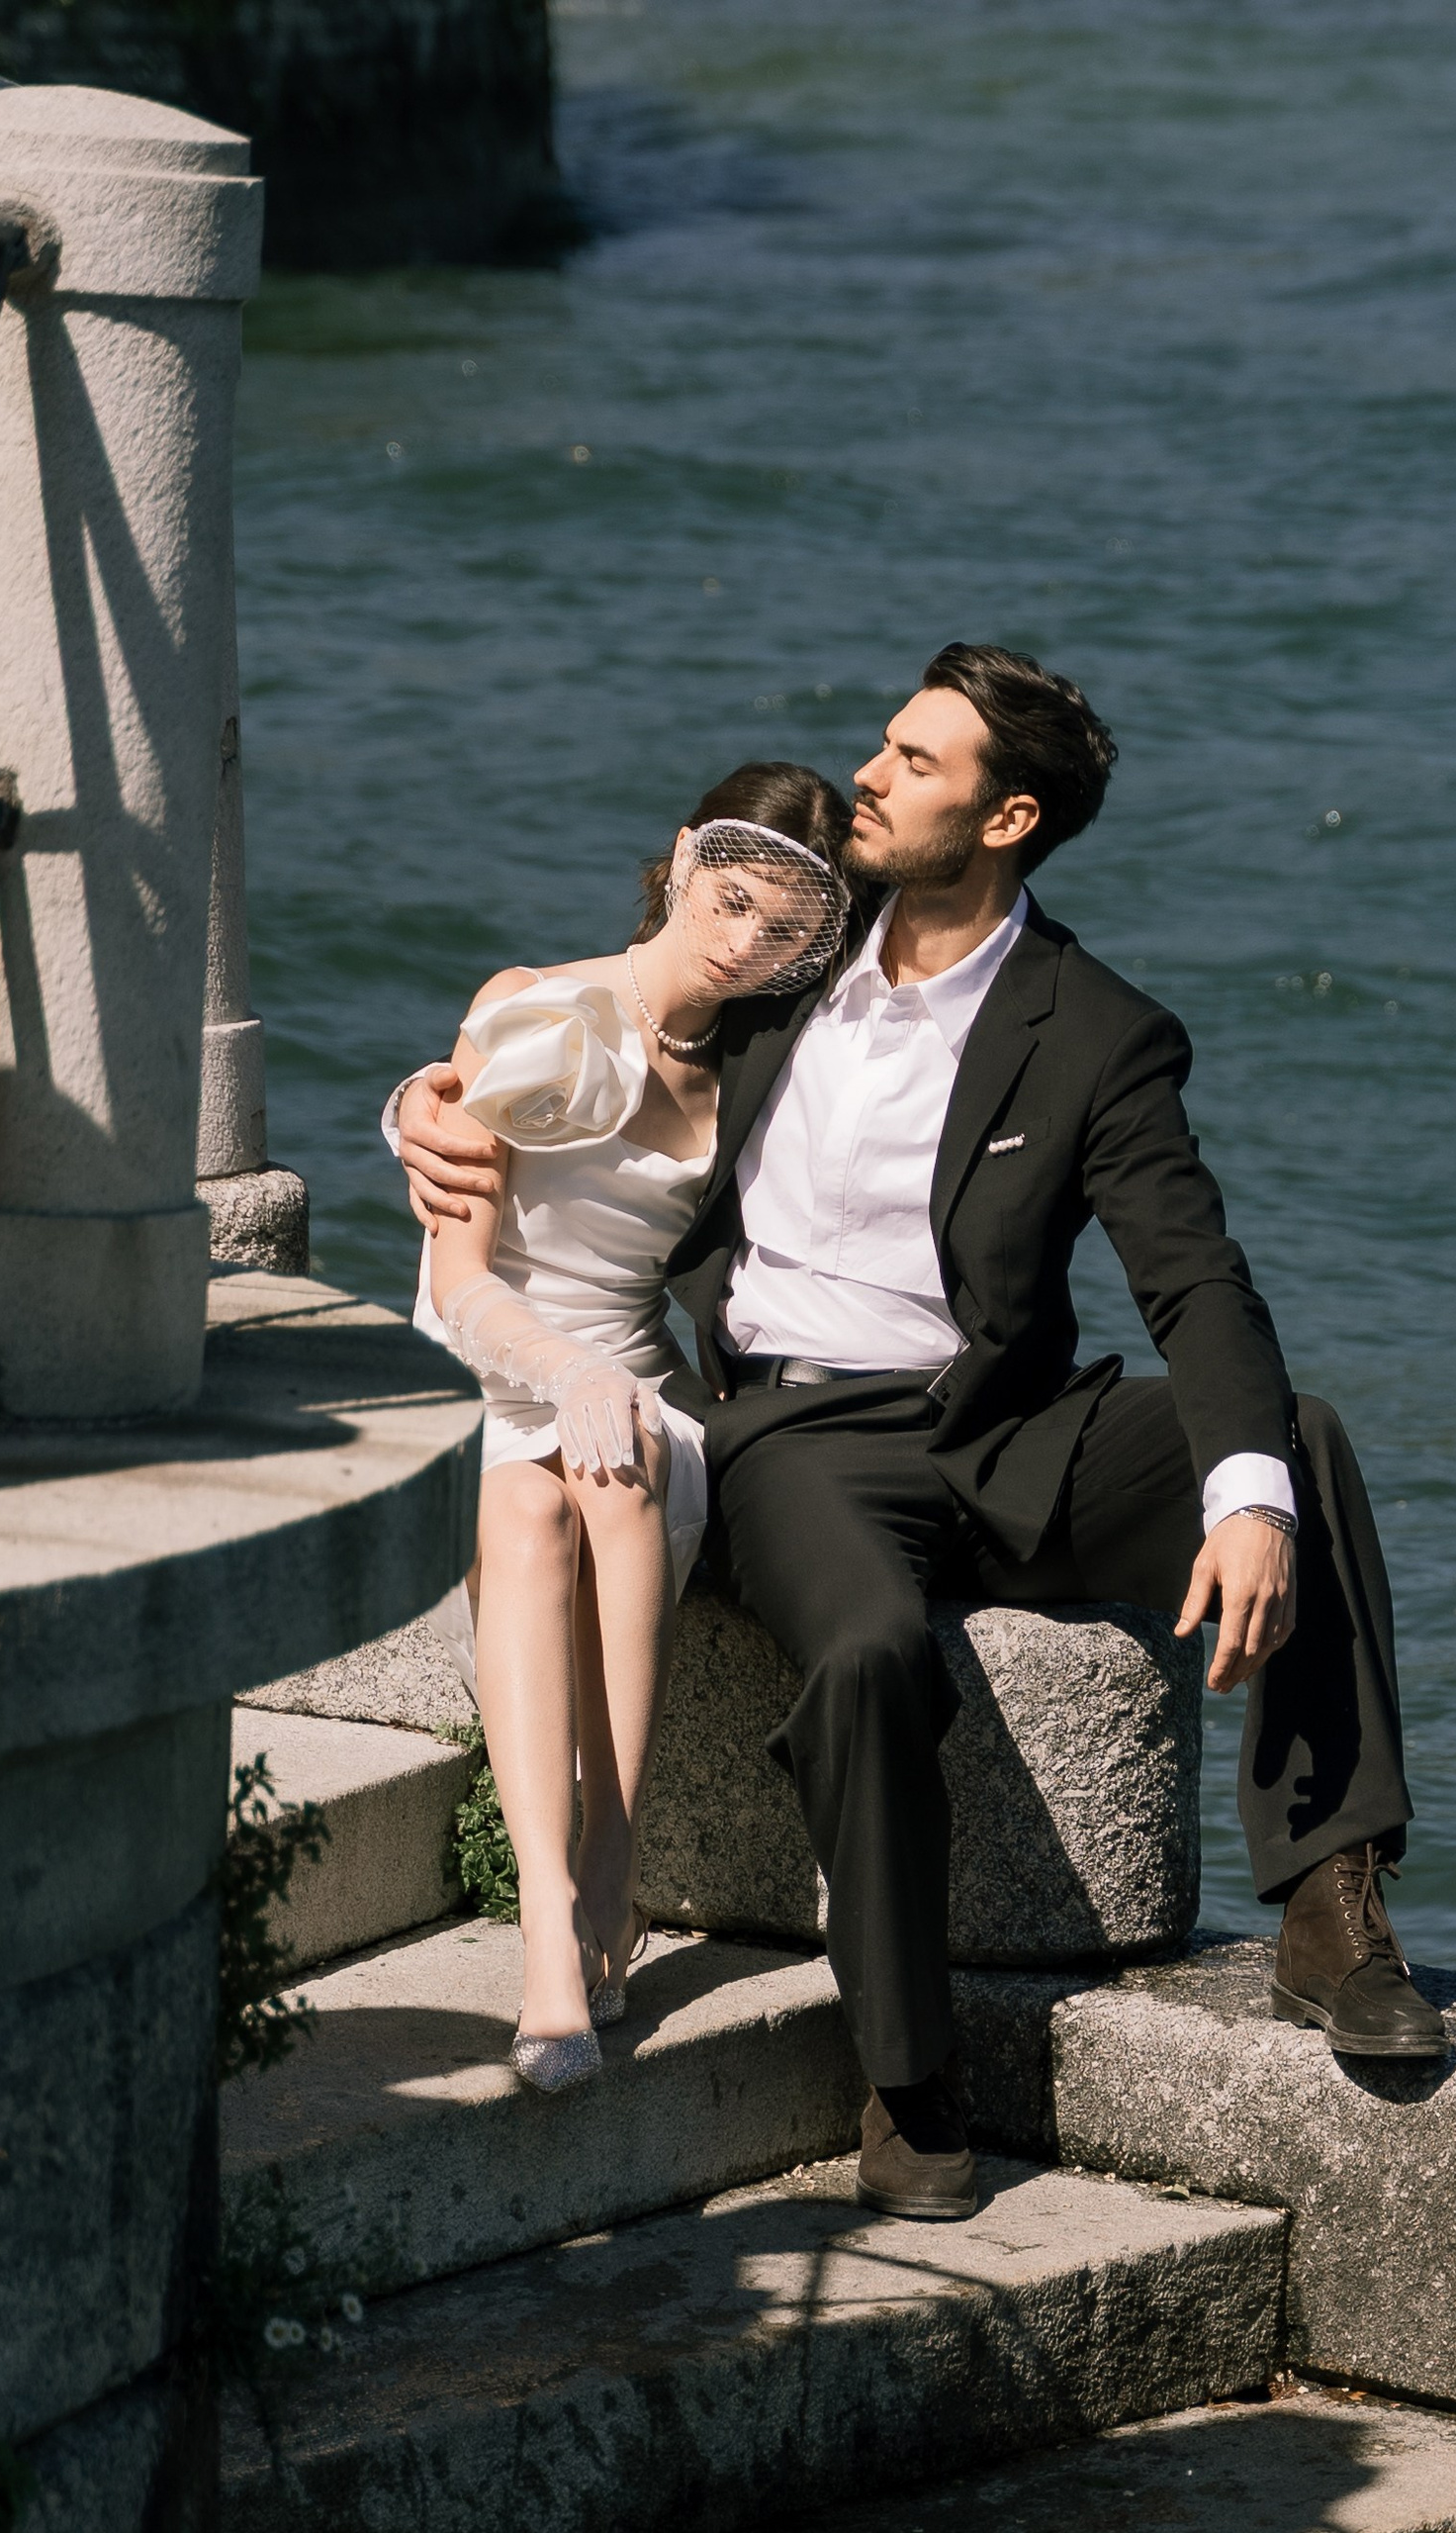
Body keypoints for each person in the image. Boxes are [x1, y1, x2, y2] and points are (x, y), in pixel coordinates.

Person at [397, 646, 1442, 2203]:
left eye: (916, 761)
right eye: (884, 744)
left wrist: (1245, 1497)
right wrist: (427, 1100)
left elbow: (1194, 1277)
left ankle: (1331, 1898)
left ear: (1008, 816)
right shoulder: (788, 957)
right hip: (799, 1439)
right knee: (873, 1647)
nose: (871, 775)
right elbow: (606, 1017)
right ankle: (906, 2075)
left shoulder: (1097, 1028)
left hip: (1011, 1421)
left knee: (1297, 1438)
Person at [401, 760, 855, 2092]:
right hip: (489, 1361)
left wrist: (612, 1389)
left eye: (782, 930)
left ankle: (617, 1856)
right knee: (532, 1492)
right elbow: (455, 1275)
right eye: (729, 900)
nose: (743, 943)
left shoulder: (761, 1073)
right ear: (680, 859)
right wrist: (564, 1373)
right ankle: (556, 1918)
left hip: (638, 1382)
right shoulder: (532, 1010)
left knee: (623, 1460)